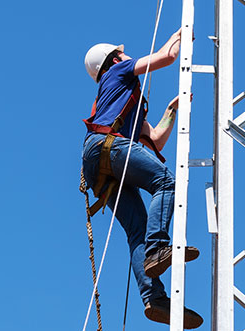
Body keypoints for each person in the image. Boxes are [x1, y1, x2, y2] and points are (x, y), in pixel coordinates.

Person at [82, 30, 203, 329]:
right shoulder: (119, 70)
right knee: (165, 182)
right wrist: (180, 36)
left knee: (137, 229)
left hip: (98, 159)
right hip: (109, 147)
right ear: (115, 58)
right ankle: (158, 248)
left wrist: (172, 111)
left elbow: (155, 142)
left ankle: (154, 298)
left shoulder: (122, 102)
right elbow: (168, 57)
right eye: (123, 53)